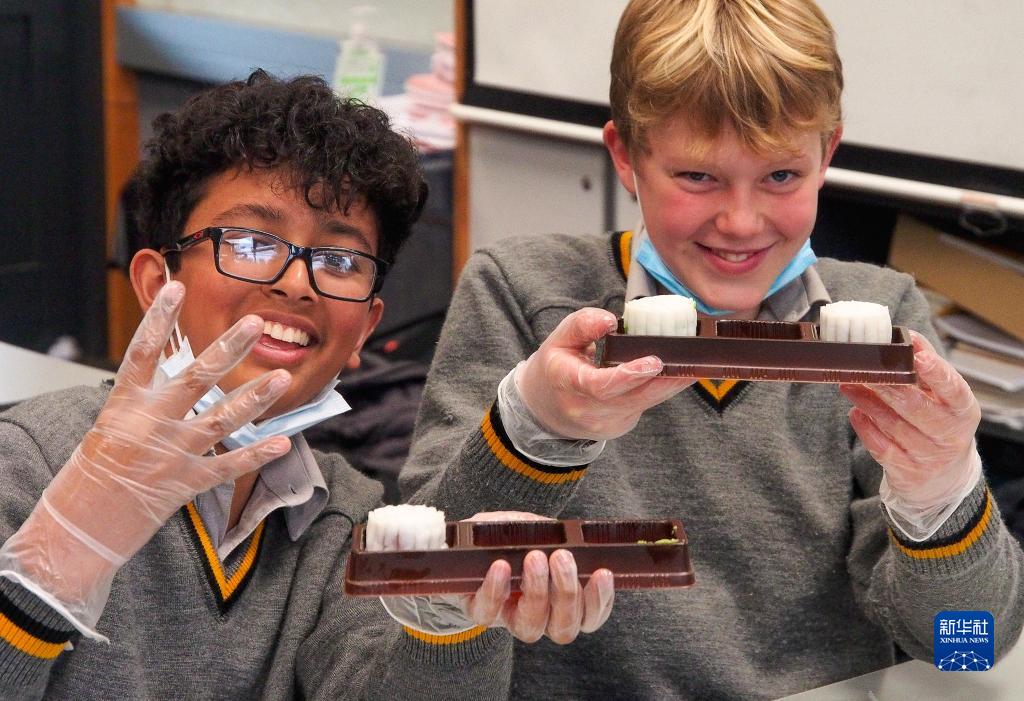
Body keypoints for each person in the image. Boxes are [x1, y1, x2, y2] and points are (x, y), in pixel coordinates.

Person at [401, 1, 1024, 698]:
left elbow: (967, 646)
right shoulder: (523, 293)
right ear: (626, 156)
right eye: (698, 177)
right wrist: (532, 428)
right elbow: (420, 594)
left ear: (827, 155)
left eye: (781, 176)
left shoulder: (882, 321)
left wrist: (944, 495)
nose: (741, 222)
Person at [0, 70, 612, 700]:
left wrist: (447, 627)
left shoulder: (343, 518)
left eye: (340, 260)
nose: (296, 284)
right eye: (250, 243)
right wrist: (47, 577)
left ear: (365, 328)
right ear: (158, 284)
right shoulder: (24, 462)